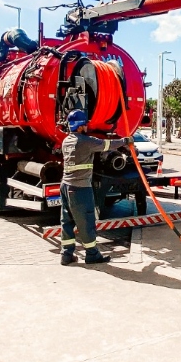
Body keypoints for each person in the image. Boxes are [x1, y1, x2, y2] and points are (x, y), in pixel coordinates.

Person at [60, 109, 134, 266]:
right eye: (85, 124)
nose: (86, 126)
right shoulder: (85, 141)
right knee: (86, 221)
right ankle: (92, 254)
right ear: (80, 126)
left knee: (67, 221)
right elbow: (108, 145)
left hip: (65, 186)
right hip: (80, 188)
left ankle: (66, 255)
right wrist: (126, 141)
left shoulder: (66, 141)